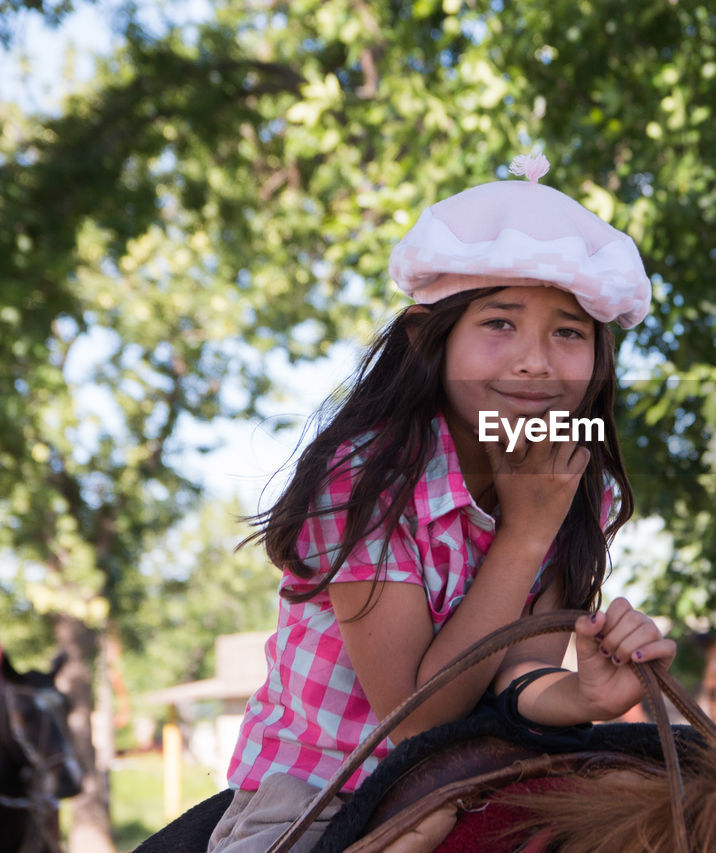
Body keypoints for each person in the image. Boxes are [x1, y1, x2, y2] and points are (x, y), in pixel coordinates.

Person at [208, 150, 675, 852]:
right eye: (499, 323)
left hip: (473, 773)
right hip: (316, 793)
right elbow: (417, 723)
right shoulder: (362, 480)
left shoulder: (580, 482)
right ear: (429, 337)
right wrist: (523, 533)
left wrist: (582, 695)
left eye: (569, 332)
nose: (536, 361)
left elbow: (517, 673)